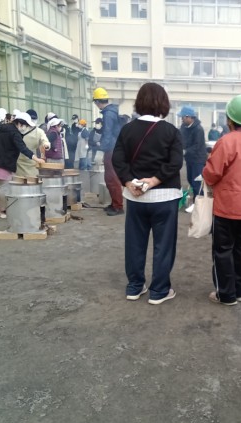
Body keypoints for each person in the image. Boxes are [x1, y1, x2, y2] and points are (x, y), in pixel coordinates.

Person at [112, 82, 183, 305]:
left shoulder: (127, 130)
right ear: (163, 103)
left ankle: (134, 286)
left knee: (135, 243)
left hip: (135, 197)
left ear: (139, 102)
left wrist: (128, 181)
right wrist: (154, 180)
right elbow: (175, 163)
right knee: (164, 246)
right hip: (165, 197)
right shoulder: (171, 131)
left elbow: (117, 159)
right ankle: (159, 291)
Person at [202, 94, 241, 306]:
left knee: (223, 250)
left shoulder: (226, 141)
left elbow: (212, 173)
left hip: (227, 206)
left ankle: (226, 294)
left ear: (230, 119)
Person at [0, 111, 44, 215]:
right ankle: (4, 210)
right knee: (4, 186)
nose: (25, 128)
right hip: (2, 163)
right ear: (19, 123)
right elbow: (23, 148)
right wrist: (37, 159)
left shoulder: (4, 128)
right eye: (25, 125)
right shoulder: (15, 133)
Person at [93, 87, 123, 216]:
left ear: (97, 101)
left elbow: (107, 133)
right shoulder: (111, 112)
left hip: (111, 149)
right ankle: (114, 203)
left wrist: (101, 150)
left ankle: (118, 206)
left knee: (112, 177)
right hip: (113, 148)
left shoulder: (108, 114)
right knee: (109, 177)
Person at [178, 105, 206, 212]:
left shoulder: (198, 129)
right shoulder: (183, 127)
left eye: (183, 117)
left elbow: (197, 145)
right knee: (190, 180)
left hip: (198, 160)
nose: (182, 119)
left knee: (197, 182)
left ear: (189, 117)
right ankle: (197, 201)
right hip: (189, 159)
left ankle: (198, 205)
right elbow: (180, 139)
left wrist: (185, 151)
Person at [14, 111, 49, 178]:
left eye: (34, 119)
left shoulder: (39, 131)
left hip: (32, 163)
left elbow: (45, 141)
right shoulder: (17, 130)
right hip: (18, 163)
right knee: (18, 182)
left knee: (32, 181)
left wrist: (46, 145)